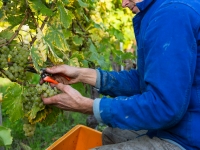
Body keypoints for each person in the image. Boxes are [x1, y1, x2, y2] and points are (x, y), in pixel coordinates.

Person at [41, 0, 200, 149]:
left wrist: (88, 106)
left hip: (189, 137)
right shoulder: (160, 9)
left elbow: (164, 107)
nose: (123, 3)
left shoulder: (170, 17)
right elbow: (143, 80)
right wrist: (83, 75)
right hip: (181, 123)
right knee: (112, 133)